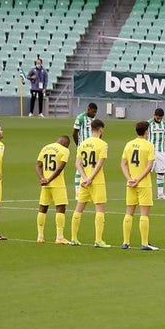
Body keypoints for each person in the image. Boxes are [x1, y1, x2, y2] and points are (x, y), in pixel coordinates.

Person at [120, 121, 158, 251]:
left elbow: (123, 164)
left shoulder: (129, 144)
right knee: (144, 214)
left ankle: (125, 242)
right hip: (143, 184)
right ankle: (144, 243)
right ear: (146, 131)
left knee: (129, 212)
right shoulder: (149, 145)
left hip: (130, 184)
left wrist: (129, 179)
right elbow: (149, 166)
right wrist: (138, 180)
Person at [71, 119, 109, 247]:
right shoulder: (103, 144)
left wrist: (85, 177)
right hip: (96, 181)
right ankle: (98, 240)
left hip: (84, 181)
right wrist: (91, 178)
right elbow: (100, 163)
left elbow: (77, 163)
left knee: (79, 208)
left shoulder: (83, 143)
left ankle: (74, 238)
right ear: (100, 129)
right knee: (100, 210)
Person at [35, 134, 71, 244]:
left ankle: (40, 236)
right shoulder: (64, 150)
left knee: (43, 208)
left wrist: (42, 178)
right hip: (57, 183)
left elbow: (38, 164)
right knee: (60, 208)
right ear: (66, 144)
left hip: (45, 184)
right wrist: (50, 179)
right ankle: (59, 237)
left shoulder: (45, 148)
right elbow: (60, 167)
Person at [71, 102, 98, 199]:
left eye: (95, 112)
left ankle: (88, 189)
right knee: (79, 168)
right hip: (83, 147)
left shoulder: (93, 120)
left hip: (93, 148)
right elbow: (75, 132)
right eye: (93, 112)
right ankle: (78, 191)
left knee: (91, 167)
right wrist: (78, 144)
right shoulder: (80, 118)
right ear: (88, 109)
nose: (94, 114)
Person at [149, 108, 165, 200]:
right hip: (150, 151)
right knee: (147, 172)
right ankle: (147, 192)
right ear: (154, 115)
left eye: (160, 118)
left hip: (161, 151)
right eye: (157, 118)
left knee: (161, 172)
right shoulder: (148, 123)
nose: (159, 120)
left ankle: (160, 194)